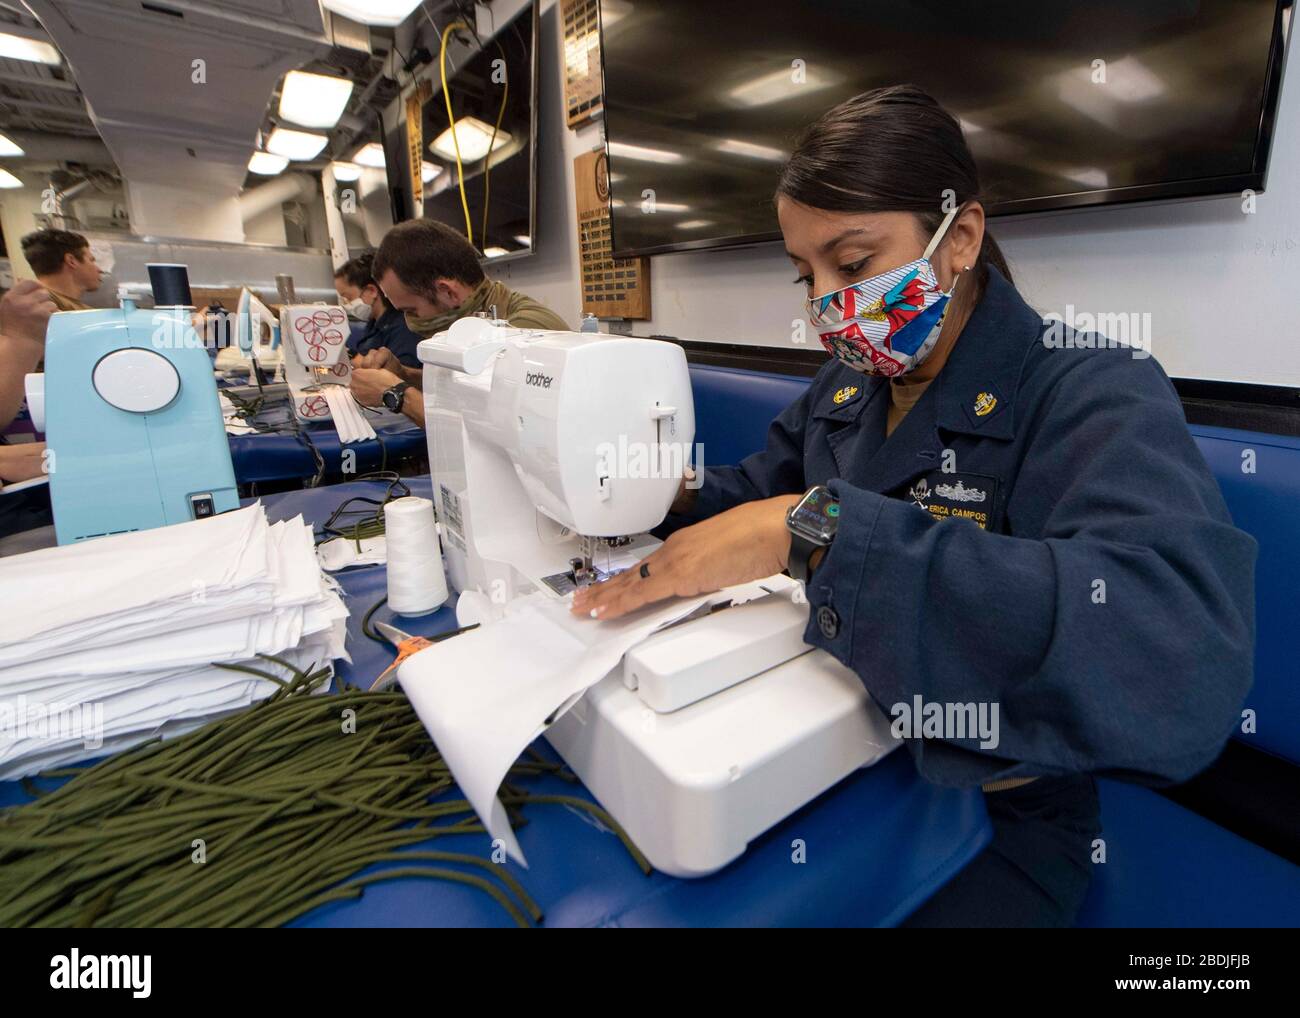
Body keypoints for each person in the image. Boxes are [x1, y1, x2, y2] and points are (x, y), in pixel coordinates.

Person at [569, 85, 1257, 927]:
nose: (825, 306)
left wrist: (814, 533)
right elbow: (751, 496)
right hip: (826, 761)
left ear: (958, 237)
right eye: (806, 275)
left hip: (995, 808)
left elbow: (1178, 657)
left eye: (851, 265)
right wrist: (637, 484)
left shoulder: (1086, 389)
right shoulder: (853, 382)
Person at [349, 220, 568, 426]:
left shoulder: (524, 333)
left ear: (447, 292)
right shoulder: (470, 329)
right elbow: (460, 388)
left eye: (411, 310)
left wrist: (395, 394)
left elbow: (486, 427)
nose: (411, 322)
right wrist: (403, 375)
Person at [333, 251, 425, 368]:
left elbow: (400, 376)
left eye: (348, 298)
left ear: (371, 291)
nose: (346, 305)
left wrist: (350, 355)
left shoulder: (403, 327)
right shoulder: (373, 324)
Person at [20, 229, 103, 311]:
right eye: (91, 260)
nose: (100, 270)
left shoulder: (69, 308)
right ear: (71, 261)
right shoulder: (40, 308)